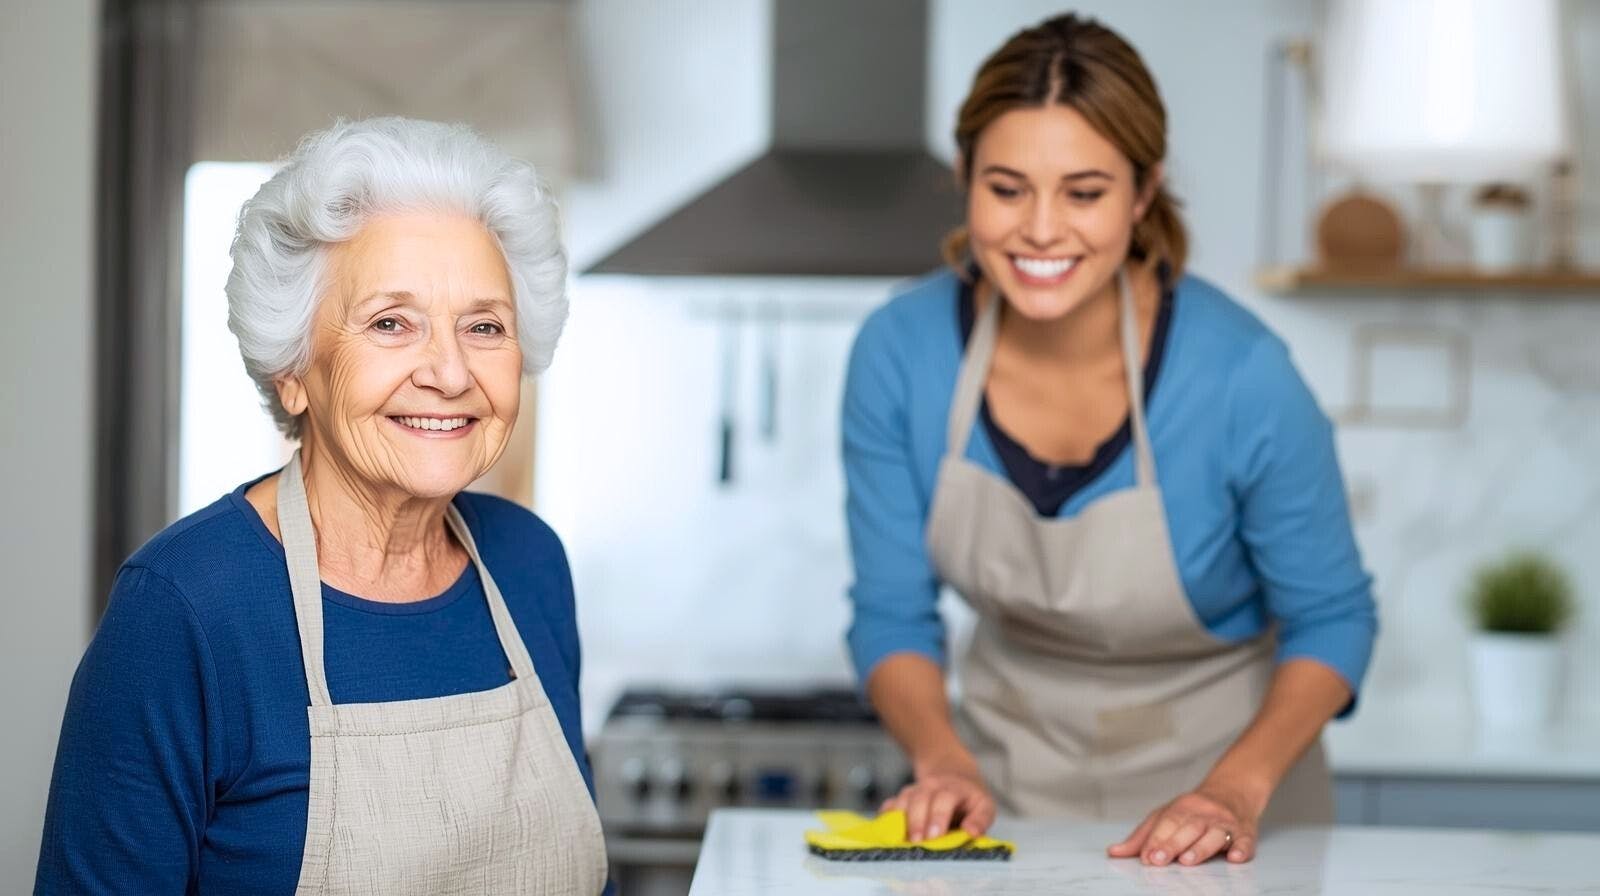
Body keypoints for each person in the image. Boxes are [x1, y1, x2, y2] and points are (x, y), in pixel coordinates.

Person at [842, 14, 1376, 868]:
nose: (1042, 230)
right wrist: (941, 757)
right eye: (1007, 188)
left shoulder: (1243, 377)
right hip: (1003, 795)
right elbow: (891, 613)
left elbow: (1335, 619)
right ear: (965, 178)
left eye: (1084, 193)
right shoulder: (900, 353)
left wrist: (1234, 791)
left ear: (1143, 190)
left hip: (1230, 804)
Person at [36, 117, 609, 895]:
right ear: (293, 371)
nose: (448, 371)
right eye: (390, 323)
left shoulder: (531, 564)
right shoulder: (184, 611)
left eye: (484, 326)